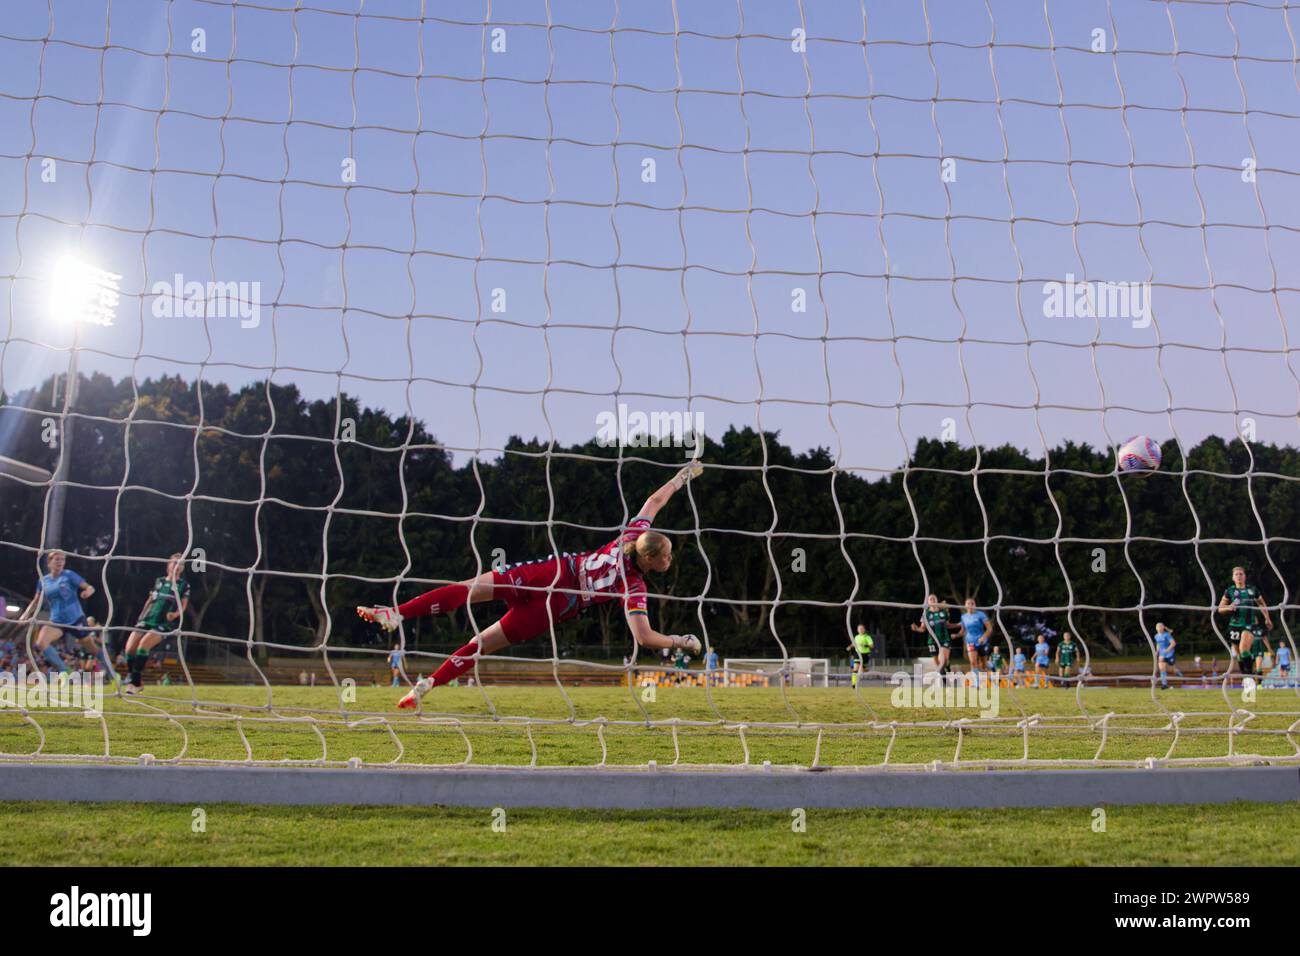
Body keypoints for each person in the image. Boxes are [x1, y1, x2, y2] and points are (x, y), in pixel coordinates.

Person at [358, 464, 705, 710]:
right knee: (478, 646)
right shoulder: (634, 585)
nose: (670, 560)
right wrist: (681, 641)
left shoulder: (631, 535)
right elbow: (644, 638)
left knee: (468, 591)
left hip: (549, 574)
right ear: (652, 559)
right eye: (668, 557)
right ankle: (426, 686)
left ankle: (396, 615)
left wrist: (682, 476)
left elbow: (654, 501)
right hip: (557, 605)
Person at [16, 550, 111, 676]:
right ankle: (65, 670)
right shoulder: (43, 581)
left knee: (92, 649)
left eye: (62, 559)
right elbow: (35, 602)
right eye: (57, 559)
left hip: (76, 619)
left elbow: (89, 587)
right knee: (41, 643)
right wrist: (25, 616)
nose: (60, 562)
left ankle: (112, 673)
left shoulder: (69, 575)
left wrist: (88, 591)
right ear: (49, 562)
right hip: (57, 620)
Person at [122, 553, 191, 694]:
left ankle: (134, 683)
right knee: (129, 649)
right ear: (169, 565)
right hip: (147, 619)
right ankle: (134, 678)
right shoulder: (158, 581)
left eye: (181, 564)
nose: (177, 566)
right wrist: (141, 616)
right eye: (175, 563)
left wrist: (175, 614)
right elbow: (150, 600)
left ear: (183, 568)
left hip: (164, 623)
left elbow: (183, 606)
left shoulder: (183, 585)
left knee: (143, 646)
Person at [1219, 566, 1272, 675]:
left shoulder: (1252, 590)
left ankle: (1250, 676)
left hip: (1249, 624)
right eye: (1236, 574)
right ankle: (1246, 676)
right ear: (1233, 578)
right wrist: (1229, 607)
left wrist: (1267, 618)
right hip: (1234, 625)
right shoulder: (1230, 591)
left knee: (1244, 648)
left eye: (1241, 574)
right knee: (1239, 654)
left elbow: (1261, 603)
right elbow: (1220, 609)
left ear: (1245, 576)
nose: (1239, 576)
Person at [910, 595, 953, 674]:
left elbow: (948, 625)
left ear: (937, 601)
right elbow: (922, 629)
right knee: (938, 664)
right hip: (932, 641)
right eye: (930, 599)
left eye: (934, 598)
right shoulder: (926, 614)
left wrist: (959, 625)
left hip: (944, 639)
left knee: (943, 659)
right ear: (927, 602)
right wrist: (916, 628)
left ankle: (947, 667)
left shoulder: (943, 612)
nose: (932, 600)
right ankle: (944, 680)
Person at [954, 598, 990, 674]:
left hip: (982, 641)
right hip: (970, 641)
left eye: (972, 603)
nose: (970, 605)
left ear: (975, 605)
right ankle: (976, 683)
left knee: (984, 665)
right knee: (973, 662)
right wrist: (956, 635)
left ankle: (989, 671)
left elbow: (989, 629)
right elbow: (963, 631)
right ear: (965, 605)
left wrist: (983, 637)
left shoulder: (981, 614)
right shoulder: (963, 617)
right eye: (968, 603)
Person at [1153, 622, 1179, 689]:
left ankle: (1177, 672)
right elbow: (1158, 644)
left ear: (1163, 627)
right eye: (1158, 627)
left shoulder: (1167, 635)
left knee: (1172, 668)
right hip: (1162, 654)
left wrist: (1167, 650)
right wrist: (1157, 651)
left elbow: (1173, 643)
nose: (1159, 628)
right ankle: (1164, 684)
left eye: (1161, 627)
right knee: (1162, 669)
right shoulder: (1156, 636)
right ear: (1156, 628)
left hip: (1170, 653)